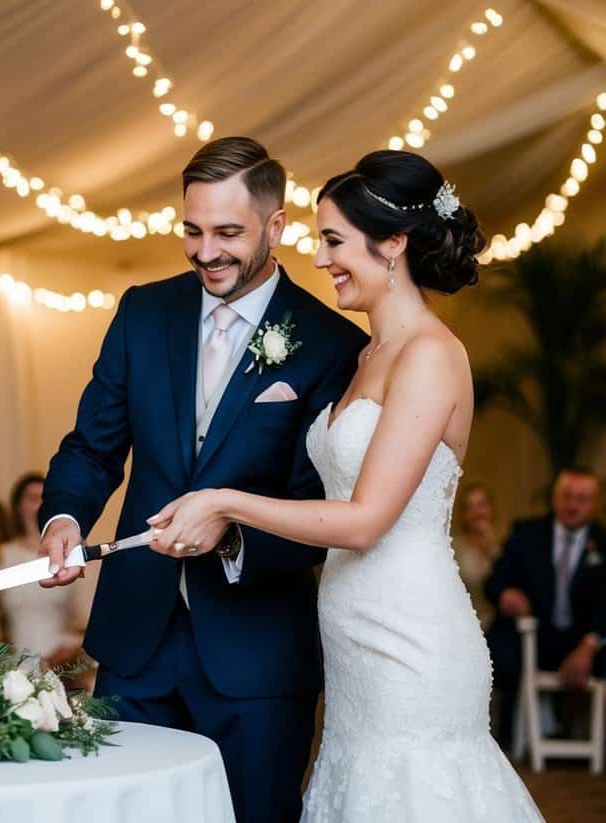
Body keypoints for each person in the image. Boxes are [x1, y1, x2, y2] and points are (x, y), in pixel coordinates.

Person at [132, 150, 542, 819]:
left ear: (393, 245)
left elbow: (364, 519)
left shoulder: (432, 354)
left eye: (333, 241)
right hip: (353, 645)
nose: (319, 259)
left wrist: (226, 501)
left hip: (411, 638)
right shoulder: (365, 354)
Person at [40, 136, 367, 823]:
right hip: (135, 643)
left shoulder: (331, 345)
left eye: (227, 232)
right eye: (192, 230)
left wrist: (230, 535)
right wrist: (64, 519)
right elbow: (92, 448)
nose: (205, 251)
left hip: (255, 655)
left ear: (276, 227)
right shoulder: (141, 312)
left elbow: (322, 509)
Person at [485, 467, 606, 745]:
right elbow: (495, 580)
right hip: (533, 636)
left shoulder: (604, 542)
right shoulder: (526, 533)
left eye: (582, 498)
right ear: (554, 496)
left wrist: (589, 645)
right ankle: (503, 739)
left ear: (595, 503)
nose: (573, 505)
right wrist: (506, 593)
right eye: (566, 496)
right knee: (497, 651)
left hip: (586, 640)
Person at [0, 473, 82, 668]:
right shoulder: (3, 554)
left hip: (61, 664)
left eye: (44, 499)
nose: (39, 506)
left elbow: (82, 622)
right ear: (18, 506)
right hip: (15, 666)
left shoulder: (68, 554)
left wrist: (68, 652)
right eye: (32, 499)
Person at [453, 482, 501, 628]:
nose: (477, 513)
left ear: (492, 508)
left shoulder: (508, 543)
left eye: (481, 505)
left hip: (499, 626)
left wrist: (491, 547)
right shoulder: (454, 547)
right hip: (465, 623)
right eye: (469, 507)